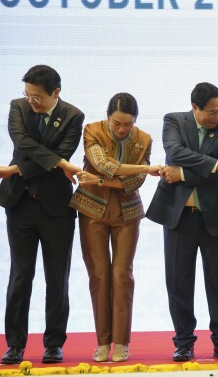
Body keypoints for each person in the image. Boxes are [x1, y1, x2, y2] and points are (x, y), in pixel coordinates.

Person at [146, 82, 218, 362]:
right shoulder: (174, 121)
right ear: (195, 108)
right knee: (179, 282)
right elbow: (174, 152)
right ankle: (184, 342)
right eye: (212, 112)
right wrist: (213, 164)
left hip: (215, 215)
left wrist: (185, 175)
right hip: (179, 216)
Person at [0, 65, 84, 364]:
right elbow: (22, 143)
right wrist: (58, 162)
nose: (31, 101)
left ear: (56, 93)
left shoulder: (74, 116)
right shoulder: (17, 107)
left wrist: (19, 168)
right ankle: (15, 344)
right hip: (20, 204)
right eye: (28, 95)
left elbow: (64, 153)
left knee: (57, 277)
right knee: (21, 275)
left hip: (56, 209)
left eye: (38, 96)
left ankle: (53, 343)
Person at [67, 93, 161, 362]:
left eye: (127, 124)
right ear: (107, 117)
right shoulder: (92, 130)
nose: (122, 129)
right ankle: (102, 341)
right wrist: (144, 169)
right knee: (99, 276)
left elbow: (135, 182)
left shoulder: (144, 140)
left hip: (128, 213)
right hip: (92, 210)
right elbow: (102, 164)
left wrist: (99, 182)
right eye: (117, 123)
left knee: (122, 275)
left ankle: (121, 341)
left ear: (135, 121)